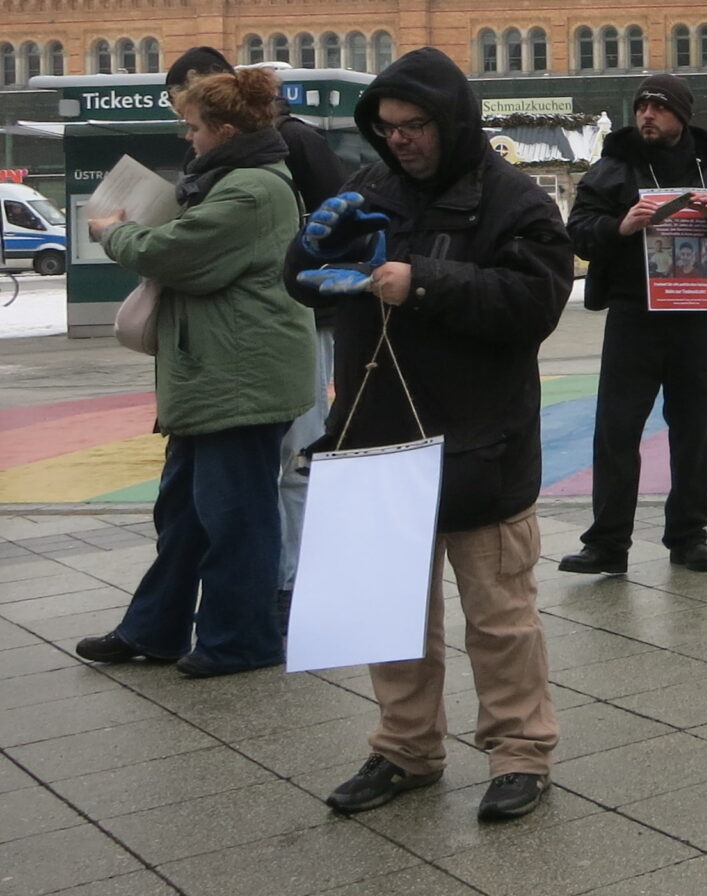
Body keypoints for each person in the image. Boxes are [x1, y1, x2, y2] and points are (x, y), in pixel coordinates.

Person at [284, 48, 575, 821]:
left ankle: (520, 752)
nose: (400, 140)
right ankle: (405, 749)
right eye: (387, 128)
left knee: (500, 618)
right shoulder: (368, 185)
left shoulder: (514, 200)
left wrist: (424, 281)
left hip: (481, 443)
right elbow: (307, 282)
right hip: (377, 440)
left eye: (415, 126)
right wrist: (308, 249)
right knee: (392, 616)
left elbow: (534, 303)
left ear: (452, 122)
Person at [75, 67, 314, 678]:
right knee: (182, 512)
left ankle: (242, 640)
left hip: (240, 379)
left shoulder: (252, 190)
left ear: (225, 130)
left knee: (235, 517)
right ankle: (155, 628)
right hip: (215, 374)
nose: (189, 139)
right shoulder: (235, 182)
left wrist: (115, 231)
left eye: (194, 128)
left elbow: (174, 255)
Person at [162, 46, 346, 621]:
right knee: (256, 470)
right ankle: (271, 583)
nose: (183, 130)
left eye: (187, 116)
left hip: (296, 324)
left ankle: (290, 580)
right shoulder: (232, 163)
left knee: (293, 457)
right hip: (255, 333)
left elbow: (337, 218)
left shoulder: (285, 151)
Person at [560, 73, 707, 576]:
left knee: (695, 431)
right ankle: (608, 543)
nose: (647, 115)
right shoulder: (614, 166)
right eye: (641, 106)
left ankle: (689, 537)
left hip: (695, 316)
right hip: (633, 316)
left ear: (682, 115)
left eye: (659, 107)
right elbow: (577, 231)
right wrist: (620, 225)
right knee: (616, 431)